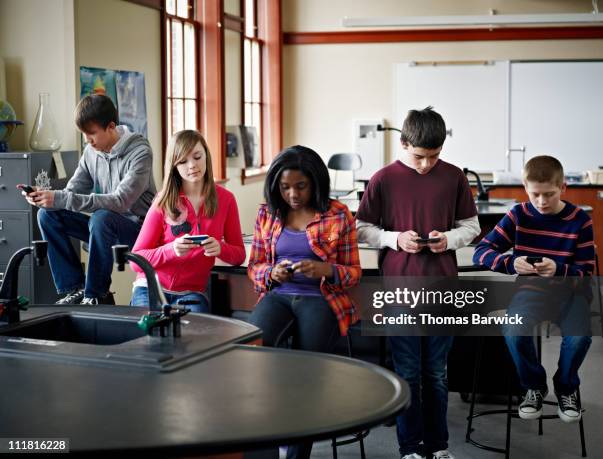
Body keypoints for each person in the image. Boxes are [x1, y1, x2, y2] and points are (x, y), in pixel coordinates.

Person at [356, 107, 480, 459]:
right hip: (399, 288)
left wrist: (449, 240)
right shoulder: (383, 179)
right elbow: (362, 227)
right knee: (408, 372)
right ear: (403, 143)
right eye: (419, 156)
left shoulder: (454, 177)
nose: (426, 164)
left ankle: (438, 447)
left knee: (437, 373)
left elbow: (471, 227)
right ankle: (409, 448)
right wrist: (395, 239)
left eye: (434, 156)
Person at [247, 145, 361, 459]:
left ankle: (297, 452)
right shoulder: (267, 213)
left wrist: (327, 270)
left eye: (301, 186)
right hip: (278, 296)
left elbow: (353, 273)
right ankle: (266, 447)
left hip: (321, 298)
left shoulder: (338, 214)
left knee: (307, 375)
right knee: (247, 352)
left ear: (315, 182)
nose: (293, 195)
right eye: (285, 187)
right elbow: (254, 266)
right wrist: (272, 272)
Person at [473, 155, 594, 423]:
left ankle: (566, 386)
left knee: (580, 337)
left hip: (571, 294)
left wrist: (559, 270)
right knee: (514, 330)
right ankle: (534, 386)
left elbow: (585, 273)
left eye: (549, 194)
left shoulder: (580, 220)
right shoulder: (518, 215)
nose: (541, 202)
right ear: (525, 189)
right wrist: (511, 263)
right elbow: (480, 253)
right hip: (530, 293)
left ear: (563, 188)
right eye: (535, 194)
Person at [23, 94, 156, 305]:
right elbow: (71, 192)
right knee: (47, 215)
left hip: (138, 231)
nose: (87, 140)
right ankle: (75, 287)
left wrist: (60, 198)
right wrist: (44, 199)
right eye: (84, 134)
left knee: (102, 217)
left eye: (91, 133)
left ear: (111, 126)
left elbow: (120, 201)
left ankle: (96, 294)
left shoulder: (140, 152)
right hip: (102, 229)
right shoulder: (91, 152)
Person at [130, 130, 245, 312]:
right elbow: (135, 260)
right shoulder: (163, 201)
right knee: (149, 336)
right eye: (183, 161)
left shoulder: (226, 199)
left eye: (197, 156)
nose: (192, 165)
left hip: (191, 293)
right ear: (174, 166)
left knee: (197, 338)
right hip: (151, 288)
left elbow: (239, 255)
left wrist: (220, 248)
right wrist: (171, 250)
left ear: (206, 155)